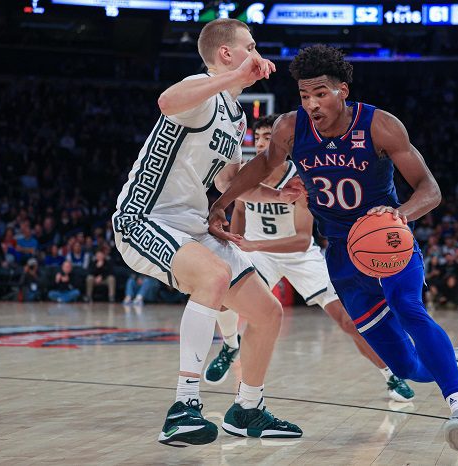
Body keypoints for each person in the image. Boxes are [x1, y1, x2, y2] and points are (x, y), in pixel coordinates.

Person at [208, 44, 458, 464]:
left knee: (409, 306)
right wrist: (221, 201)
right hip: (342, 255)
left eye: (321, 93)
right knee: (408, 370)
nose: (312, 104)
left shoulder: (380, 125)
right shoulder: (290, 128)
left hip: (389, 242)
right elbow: (261, 166)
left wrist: (397, 215)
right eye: (305, 95)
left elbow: (430, 190)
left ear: (342, 90)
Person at [112, 18, 303, 447]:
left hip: (193, 226)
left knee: (268, 312)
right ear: (226, 54)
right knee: (214, 277)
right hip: (143, 217)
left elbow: (227, 182)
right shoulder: (201, 88)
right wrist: (234, 77)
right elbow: (165, 101)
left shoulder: (234, 115)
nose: (257, 54)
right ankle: (183, 408)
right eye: (250, 46)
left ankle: (247, 409)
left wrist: (279, 193)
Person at [204, 115, 415, 402]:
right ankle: (230, 345)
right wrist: (237, 246)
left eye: (270, 137)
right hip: (258, 253)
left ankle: (390, 374)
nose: (265, 143)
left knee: (347, 321)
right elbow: (240, 210)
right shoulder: (246, 175)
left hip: (299, 255)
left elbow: (302, 240)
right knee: (222, 287)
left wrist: (253, 245)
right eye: (261, 138)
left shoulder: (300, 180)